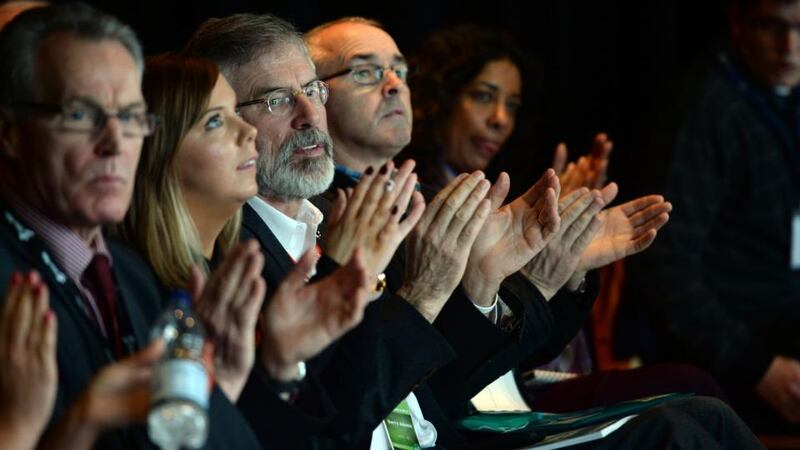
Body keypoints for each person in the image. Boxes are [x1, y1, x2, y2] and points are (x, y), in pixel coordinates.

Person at [304, 16, 764, 449]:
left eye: (401, 71)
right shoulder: (316, 215)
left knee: (709, 413)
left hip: (488, 403)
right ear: (311, 97)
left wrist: (557, 271)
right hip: (455, 423)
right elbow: (375, 385)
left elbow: (517, 349)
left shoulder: (429, 196)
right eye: (365, 73)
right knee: (678, 423)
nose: (394, 85)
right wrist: (517, 283)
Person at [403, 22, 730, 412]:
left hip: (517, 388)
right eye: (483, 96)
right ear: (439, 98)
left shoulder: (506, 194)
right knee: (690, 391)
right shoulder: (413, 198)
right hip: (465, 402)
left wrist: (569, 253)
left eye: (512, 105)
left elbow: (542, 344)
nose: (499, 119)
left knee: (694, 394)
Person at [0, 4, 268, 449]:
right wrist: (78, 425)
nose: (114, 144)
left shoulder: (132, 275)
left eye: (129, 118)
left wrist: (227, 380)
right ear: (10, 132)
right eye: (80, 115)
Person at [114, 51, 380, 446]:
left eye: (236, 115)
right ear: (158, 152)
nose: (248, 133)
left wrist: (280, 369)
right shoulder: (133, 287)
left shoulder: (238, 266)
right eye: (216, 121)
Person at [623, 0, 800, 435]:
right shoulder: (706, 109)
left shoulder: (788, 98)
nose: (789, 47)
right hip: (736, 367)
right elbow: (666, 268)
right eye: (772, 27)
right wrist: (759, 368)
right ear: (738, 24)